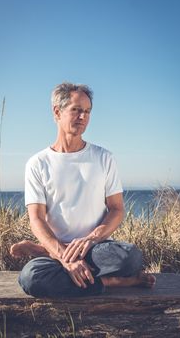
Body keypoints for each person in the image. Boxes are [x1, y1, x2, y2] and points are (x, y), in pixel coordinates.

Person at [10, 82, 156, 297]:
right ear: (57, 112)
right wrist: (64, 256)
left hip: (94, 249)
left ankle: (44, 252)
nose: (83, 117)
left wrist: (91, 239)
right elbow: (37, 219)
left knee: (130, 258)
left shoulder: (103, 157)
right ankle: (112, 282)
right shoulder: (37, 163)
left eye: (87, 111)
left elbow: (116, 209)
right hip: (57, 246)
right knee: (31, 278)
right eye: (76, 110)